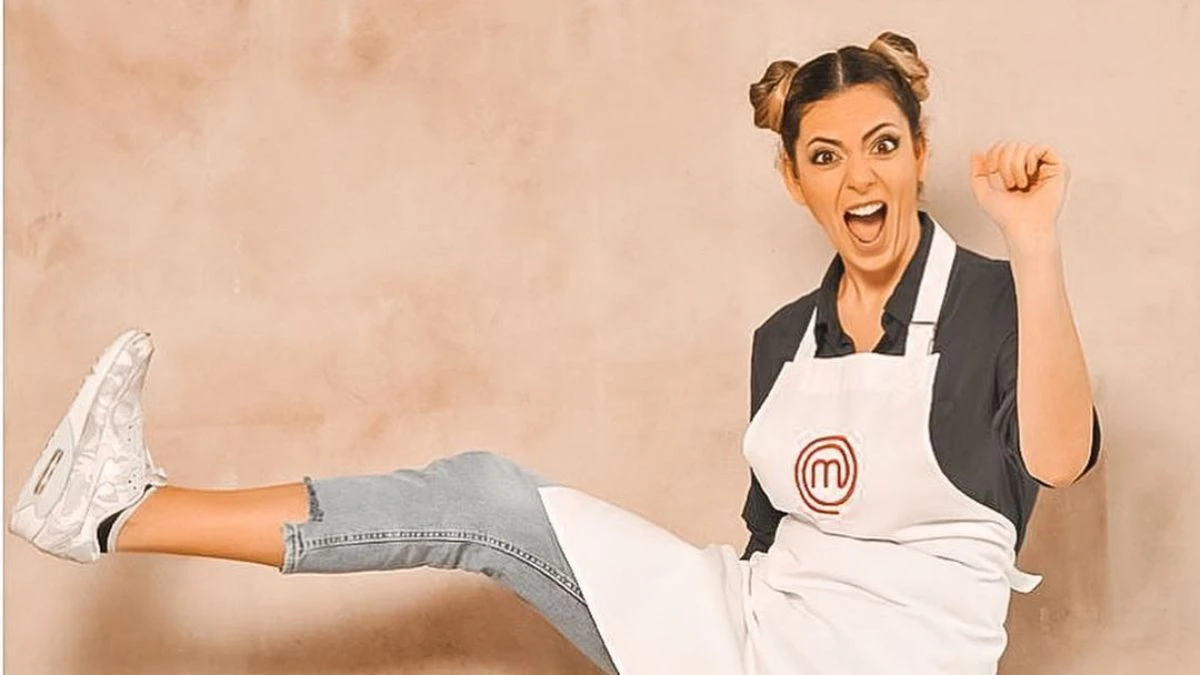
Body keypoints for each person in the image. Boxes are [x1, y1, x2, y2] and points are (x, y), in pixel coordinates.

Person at [8, 30, 1099, 675]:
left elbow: (1057, 459)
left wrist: (1035, 244)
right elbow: (772, 537)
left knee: (487, 502)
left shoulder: (999, 298)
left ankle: (117, 509)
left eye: (883, 146)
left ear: (919, 154)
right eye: (826, 155)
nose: (860, 178)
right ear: (793, 179)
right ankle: (120, 509)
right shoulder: (783, 342)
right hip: (751, 631)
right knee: (486, 498)